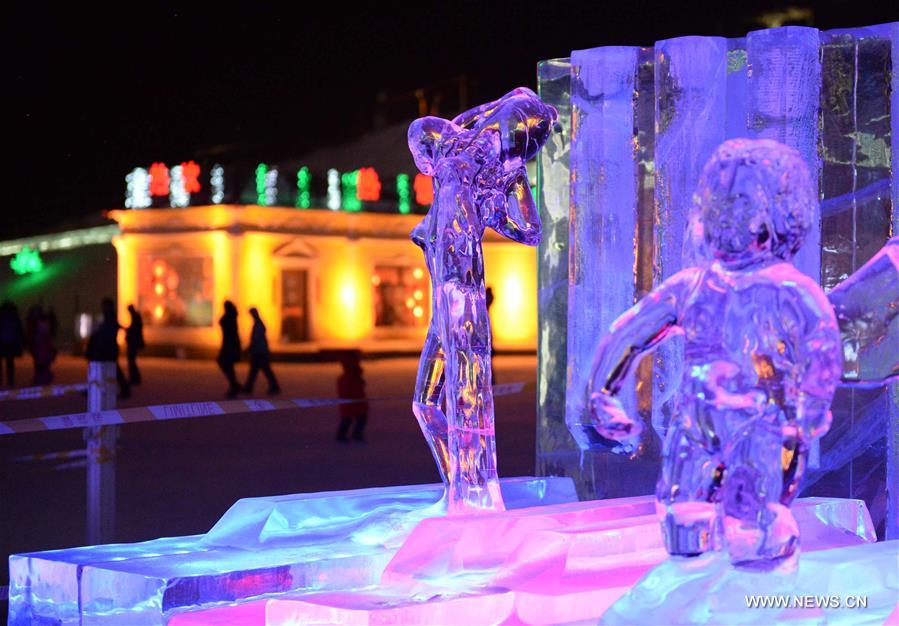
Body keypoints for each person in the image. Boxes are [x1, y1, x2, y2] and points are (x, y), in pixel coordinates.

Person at [86, 298, 130, 399]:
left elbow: (107, 332)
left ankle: (123, 389)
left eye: (104, 305)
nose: (103, 308)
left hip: (107, 348)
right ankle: (97, 388)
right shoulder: (109, 317)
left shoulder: (109, 317)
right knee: (106, 369)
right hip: (107, 348)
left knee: (107, 369)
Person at [243, 307, 280, 395]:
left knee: (260, 370)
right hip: (260, 350)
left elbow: (256, 339)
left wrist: (249, 348)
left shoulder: (258, 324)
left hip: (259, 351)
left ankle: (273, 386)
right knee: (257, 370)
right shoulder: (258, 323)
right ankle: (249, 386)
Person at [336, 350, 367, 442]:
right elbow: (350, 390)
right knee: (350, 419)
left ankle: (353, 435)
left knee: (355, 418)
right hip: (352, 402)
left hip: (355, 402)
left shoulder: (349, 377)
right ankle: (346, 436)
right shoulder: (348, 378)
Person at [26, 305, 57, 386]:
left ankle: (41, 378)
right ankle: (43, 377)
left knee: (40, 363)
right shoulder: (45, 323)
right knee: (43, 363)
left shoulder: (36, 323)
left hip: (40, 346)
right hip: (42, 346)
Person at [217, 300, 242, 398]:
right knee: (228, 365)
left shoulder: (230, 317)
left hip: (229, 344)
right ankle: (234, 385)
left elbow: (228, 330)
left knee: (225, 363)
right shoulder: (231, 316)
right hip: (229, 344)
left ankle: (234, 385)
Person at [0, 300, 25, 387]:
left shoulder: (2, 317)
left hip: (3, 343)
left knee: (7, 362)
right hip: (10, 343)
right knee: (10, 362)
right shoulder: (15, 318)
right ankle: (10, 380)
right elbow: (20, 331)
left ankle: (7, 380)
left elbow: (20, 331)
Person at [125, 304, 145, 385]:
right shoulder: (136, 317)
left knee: (131, 360)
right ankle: (134, 378)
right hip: (134, 342)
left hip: (133, 342)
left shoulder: (135, 317)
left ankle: (134, 378)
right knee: (132, 360)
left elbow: (134, 330)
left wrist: (128, 331)